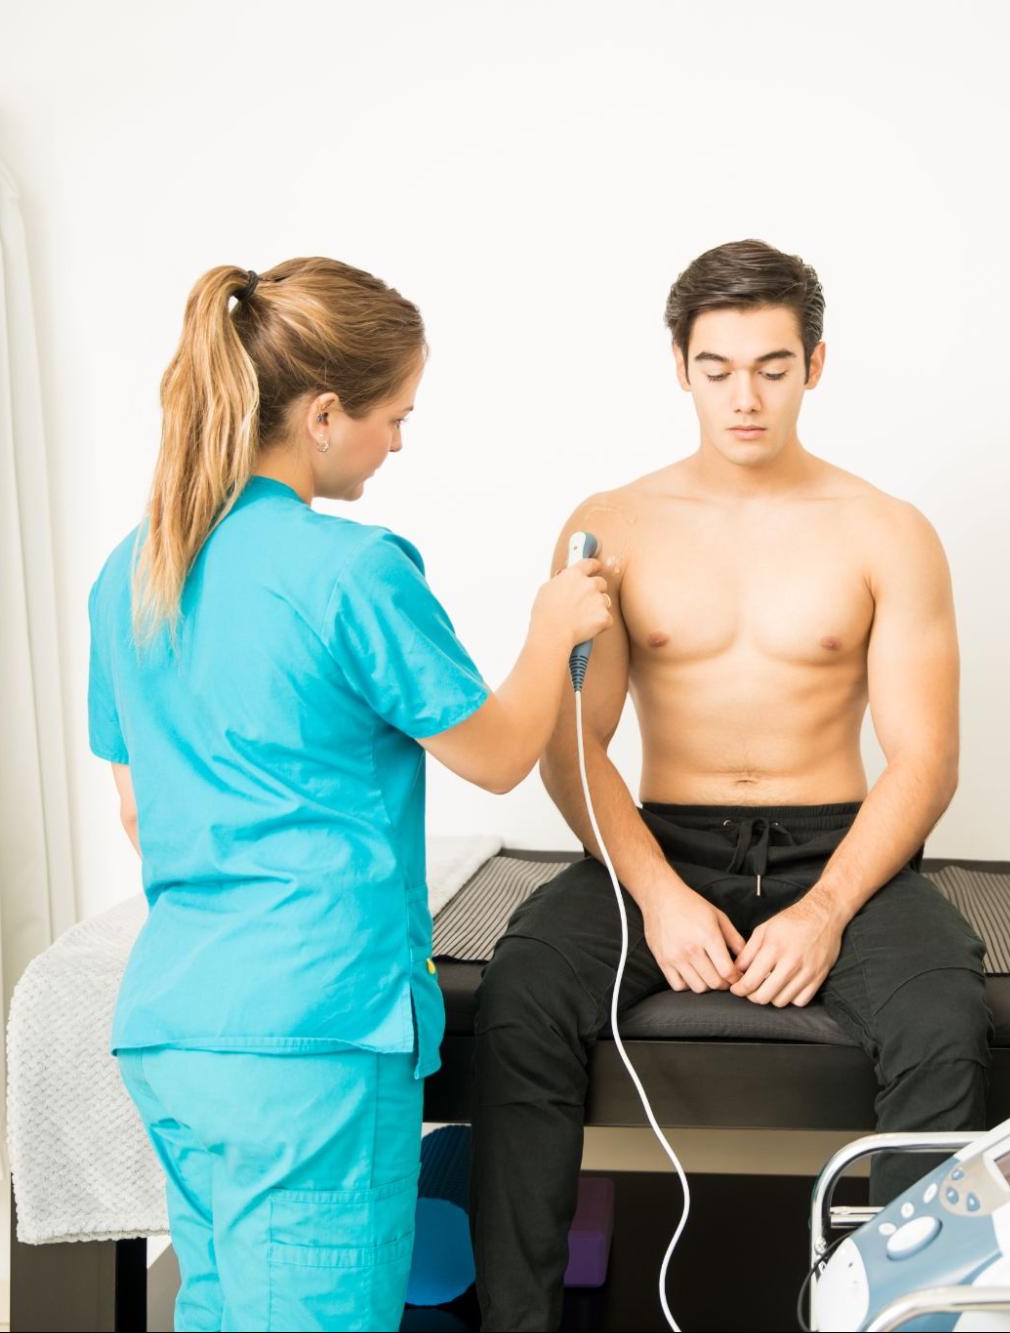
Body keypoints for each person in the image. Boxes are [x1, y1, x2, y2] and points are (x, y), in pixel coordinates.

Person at [469, 239, 991, 1330]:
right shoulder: (610, 525)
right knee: (518, 996)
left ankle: (904, 1320)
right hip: (664, 841)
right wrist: (656, 894)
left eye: (770, 366)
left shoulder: (887, 531)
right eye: (717, 368)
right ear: (678, 367)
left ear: (815, 365)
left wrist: (826, 908)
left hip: (834, 845)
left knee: (942, 1015)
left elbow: (926, 758)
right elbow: (574, 742)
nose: (743, 396)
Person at [86, 257, 611, 1332]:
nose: (399, 441)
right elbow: (498, 752)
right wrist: (554, 625)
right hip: (311, 1046)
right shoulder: (352, 570)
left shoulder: (133, 567)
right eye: (393, 414)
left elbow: (140, 811)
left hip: (174, 1031)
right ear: (323, 414)